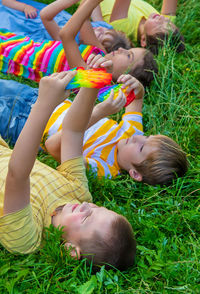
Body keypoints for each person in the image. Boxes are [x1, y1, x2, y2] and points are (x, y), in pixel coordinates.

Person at [0, 67, 136, 270]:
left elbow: (17, 175)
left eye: (87, 217)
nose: (85, 206)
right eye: (96, 208)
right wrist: (91, 84)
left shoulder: (27, 239)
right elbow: (72, 132)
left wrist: (44, 105)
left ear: (71, 251)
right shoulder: (78, 194)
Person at [44, 73, 188, 186]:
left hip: (32, 121)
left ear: (135, 174)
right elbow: (137, 99)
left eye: (141, 147)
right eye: (147, 137)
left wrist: (98, 113)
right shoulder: (131, 133)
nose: (138, 138)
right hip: (54, 99)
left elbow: (53, 146)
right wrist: (136, 86)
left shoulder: (103, 169)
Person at [0, 0, 158, 87]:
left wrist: (91, 3)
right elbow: (84, 21)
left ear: (126, 77)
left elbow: (66, 35)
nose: (122, 49)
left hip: (13, 56)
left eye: (129, 55)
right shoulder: (100, 53)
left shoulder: (94, 78)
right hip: (24, 44)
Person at [92, 0, 185, 54]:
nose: (161, 18)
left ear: (144, 40)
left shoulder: (124, 28)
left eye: (159, 26)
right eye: (167, 21)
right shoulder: (165, 26)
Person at [40, 0, 132, 53]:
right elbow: (89, 10)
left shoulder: (67, 43)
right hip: (57, 15)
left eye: (100, 35)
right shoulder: (98, 26)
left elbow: (45, 16)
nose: (100, 28)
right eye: (105, 30)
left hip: (33, 24)